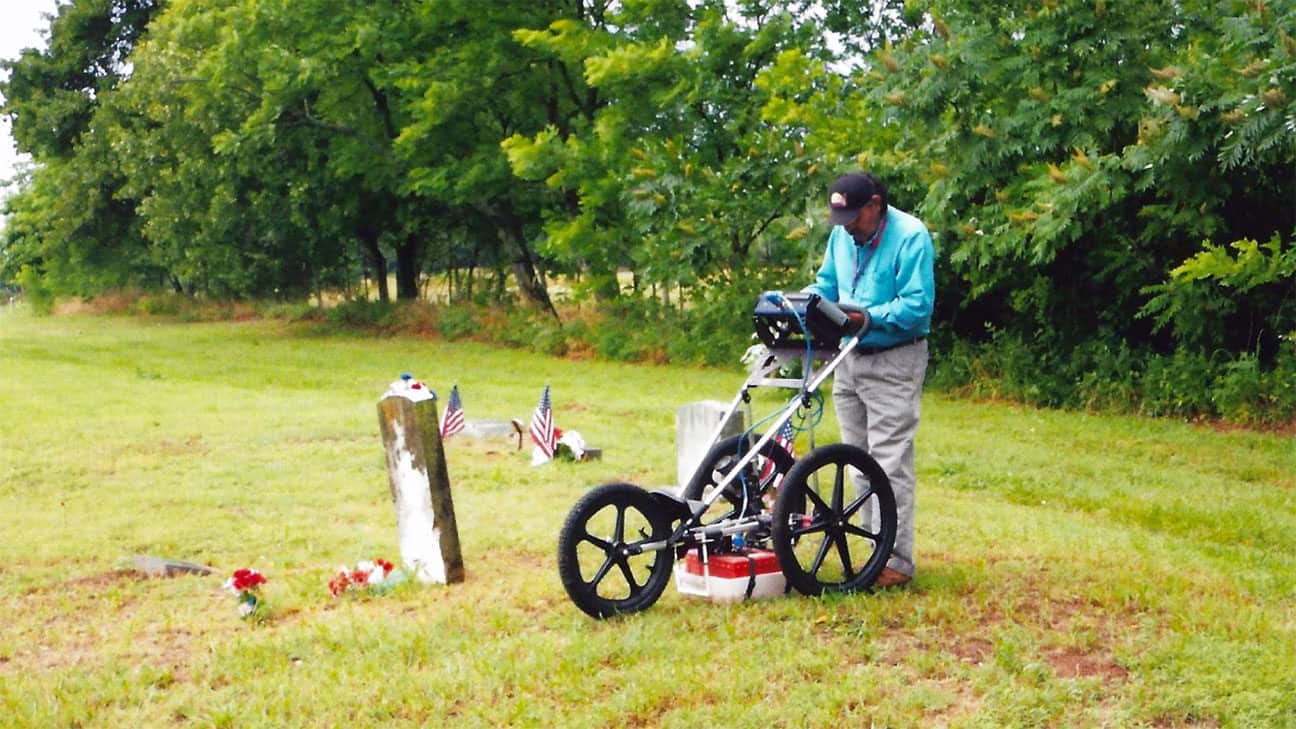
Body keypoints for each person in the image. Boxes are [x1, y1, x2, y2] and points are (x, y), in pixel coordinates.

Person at [804, 172, 935, 588]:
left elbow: (917, 307)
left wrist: (869, 317)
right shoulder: (842, 236)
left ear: (874, 206)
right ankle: (873, 548)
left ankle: (896, 562)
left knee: (889, 461)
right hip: (849, 359)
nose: (846, 227)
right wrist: (801, 304)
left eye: (853, 218)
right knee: (858, 462)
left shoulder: (911, 236)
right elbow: (826, 285)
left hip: (895, 358)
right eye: (839, 218)